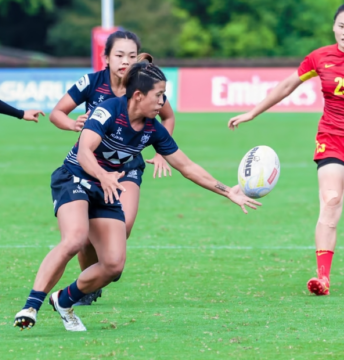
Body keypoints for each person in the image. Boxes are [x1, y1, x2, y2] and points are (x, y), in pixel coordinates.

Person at [13, 61, 261, 331]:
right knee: (74, 239)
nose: (163, 102)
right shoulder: (107, 110)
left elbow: (187, 167)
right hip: (74, 178)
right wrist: (103, 174)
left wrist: (227, 191)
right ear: (139, 95)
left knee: (113, 266)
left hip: (107, 189)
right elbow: (85, 151)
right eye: (159, 95)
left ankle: (63, 299)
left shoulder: (153, 129)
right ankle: (30, 306)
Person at [49, 31, 175, 305]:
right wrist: (73, 124)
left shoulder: (145, 87)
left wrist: (163, 153)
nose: (125, 61)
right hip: (93, 165)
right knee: (84, 237)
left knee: (124, 225)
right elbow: (56, 113)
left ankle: (103, 268)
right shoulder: (92, 82)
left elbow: (168, 117)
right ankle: (87, 284)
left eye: (131, 56)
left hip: (128, 164)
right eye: (119, 55)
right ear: (106, 58)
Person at [228, 4, 344, 296]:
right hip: (333, 137)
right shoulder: (320, 57)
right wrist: (253, 113)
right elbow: (286, 86)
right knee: (331, 201)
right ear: (334, 27)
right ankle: (323, 278)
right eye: (342, 26)